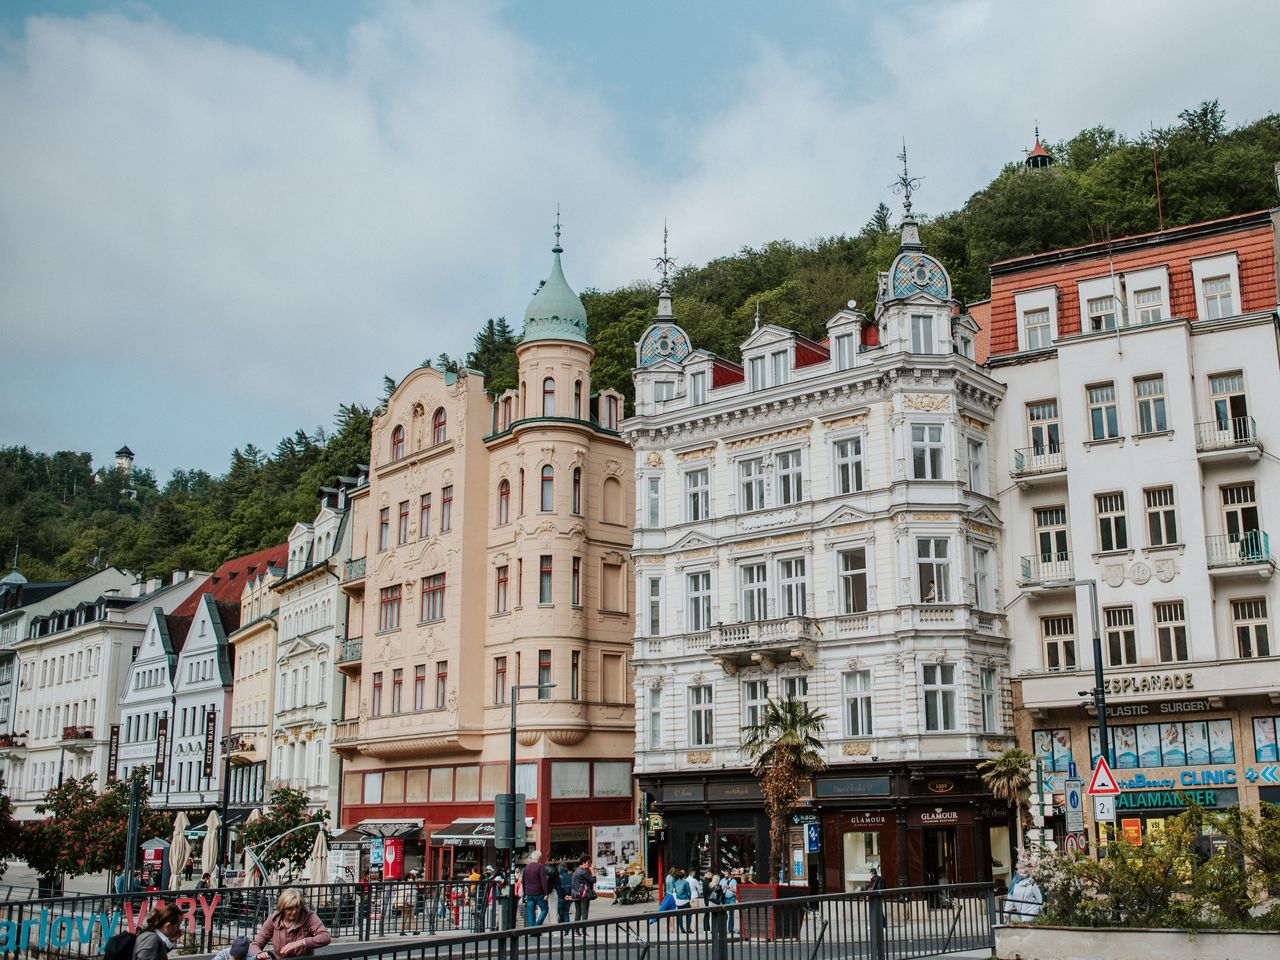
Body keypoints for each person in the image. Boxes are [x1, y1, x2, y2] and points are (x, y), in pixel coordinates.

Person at [251, 888, 332, 958]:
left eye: (297, 907)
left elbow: (325, 937)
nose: (294, 911)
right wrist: (259, 953)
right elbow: (256, 944)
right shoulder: (273, 920)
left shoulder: (309, 916)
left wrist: (301, 942)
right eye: (289, 908)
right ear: (282, 908)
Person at [521, 850, 551, 928]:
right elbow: (543, 881)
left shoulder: (526, 868)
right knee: (545, 909)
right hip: (538, 893)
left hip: (529, 893)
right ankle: (537, 926)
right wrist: (546, 893)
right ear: (539, 858)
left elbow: (523, 881)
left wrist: (525, 893)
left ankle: (531, 929)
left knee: (531, 912)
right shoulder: (540, 867)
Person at [570, 856, 596, 930]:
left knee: (578, 913)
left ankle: (576, 930)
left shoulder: (576, 870)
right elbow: (593, 880)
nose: (590, 864)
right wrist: (593, 870)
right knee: (584, 914)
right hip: (583, 895)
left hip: (576, 894)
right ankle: (583, 931)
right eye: (589, 862)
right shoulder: (583, 871)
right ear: (584, 862)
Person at [671, 869, 692, 934]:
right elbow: (689, 893)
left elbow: (674, 891)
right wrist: (689, 898)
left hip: (678, 901)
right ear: (684, 876)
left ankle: (681, 928)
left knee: (680, 915)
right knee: (689, 914)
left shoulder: (675, 882)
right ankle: (688, 928)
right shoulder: (686, 882)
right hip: (685, 900)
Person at [722, 870, 739, 934]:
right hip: (725, 899)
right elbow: (720, 889)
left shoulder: (734, 881)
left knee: (731, 915)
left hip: (732, 899)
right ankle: (723, 928)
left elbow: (736, 890)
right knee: (724, 915)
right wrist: (723, 888)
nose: (725, 875)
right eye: (724, 874)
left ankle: (730, 929)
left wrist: (729, 887)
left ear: (729, 874)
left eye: (726, 874)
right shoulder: (722, 880)